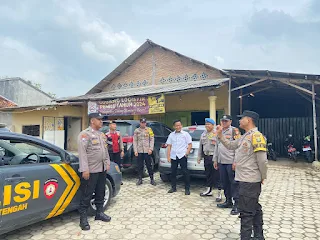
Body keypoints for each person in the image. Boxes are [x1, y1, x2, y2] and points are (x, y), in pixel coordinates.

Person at [216, 110, 267, 240]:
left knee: (246, 212)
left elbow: (262, 160)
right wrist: (220, 135)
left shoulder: (256, 136)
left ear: (248, 120)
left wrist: (262, 176)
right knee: (254, 207)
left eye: (241, 118)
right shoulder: (244, 136)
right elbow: (231, 145)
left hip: (250, 180)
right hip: (244, 179)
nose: (239, 121)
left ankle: (246, 237)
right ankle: (259, 236)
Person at [77, 113, 111, 231]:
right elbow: (82, 153)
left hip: (101, 168)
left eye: (102, 119)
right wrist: (85, 169)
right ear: (92, 121)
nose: (101, 122)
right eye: (99, 120)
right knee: (87, 194)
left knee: (100, 191)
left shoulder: (101, 135)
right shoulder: (85, 134)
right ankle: (83, 219)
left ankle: (99, 213)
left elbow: (105, 150)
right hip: (91, 170)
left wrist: (107, 162)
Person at [214, 115, 240, 215]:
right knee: (225, 183)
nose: (224, 123)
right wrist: (215, 160)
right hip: (221, 161)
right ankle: (228, 201)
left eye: (226, 121)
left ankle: (237, 204)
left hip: (230, 161)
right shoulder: (219, 131)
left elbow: (238, 147)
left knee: (234, 183)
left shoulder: (234, 131)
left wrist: (236, 161)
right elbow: (217, 146)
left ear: (230, 121)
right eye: (222, 121)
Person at [197, 118, 222, 201]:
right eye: (206, 124)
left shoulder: (216, 133)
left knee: (217, 176)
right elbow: (201, 146)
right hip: (206, 157)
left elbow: (219, 146)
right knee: (208, 174)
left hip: (215, 157)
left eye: (209, 124)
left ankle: (219, 193)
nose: (207, 126)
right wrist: (199, 157)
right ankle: (209, 190)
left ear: (213, 125)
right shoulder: (203, 134)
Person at [166, 120, 192, 195]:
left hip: (182, 155)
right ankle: (173, 188)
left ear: (181, 125)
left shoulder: (185, 134)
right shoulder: (171, 135)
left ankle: (187, 189)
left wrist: (186, 153)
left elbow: (190, 144)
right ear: (174, 126)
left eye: (179, 125)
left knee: (185, 172)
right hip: (174, 156)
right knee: (173, 172)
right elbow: (169, 146)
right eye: (176, 125)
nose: (178, 127)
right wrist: (168, 156)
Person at [133, 118, 156, 186]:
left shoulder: (149, 130)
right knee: (140, 166)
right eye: (142, 122)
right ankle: (140, 179)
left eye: (144, 122)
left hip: (147, 150)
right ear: (140, 123)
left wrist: (151, 149)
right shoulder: (136, 130)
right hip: (139, 150)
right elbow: (135, 141)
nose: (143, 124)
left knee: (149, 165)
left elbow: (152, 139)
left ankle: (152, 179)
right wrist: (135, 150)